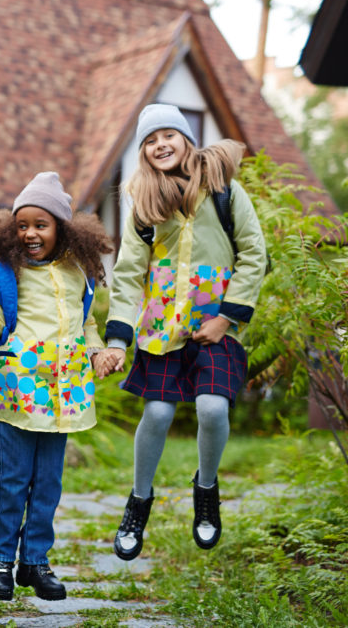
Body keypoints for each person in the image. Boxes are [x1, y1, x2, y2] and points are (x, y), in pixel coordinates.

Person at [94, 104, 267, 561]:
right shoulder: (144, 205)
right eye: (150, 141)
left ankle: (206, 493)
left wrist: (226, 318)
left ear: (186, 138)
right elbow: (130, 273)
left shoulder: (226, 191)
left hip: (216, 327)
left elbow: (254, 254)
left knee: (212, 409)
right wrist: (116, 340)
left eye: (168, 134)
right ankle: (138, 501)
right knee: (157, 416)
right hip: (161, 330)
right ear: (144, 153)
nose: (160, 145)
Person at [0, 171, 113, 602]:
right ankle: (0, 563)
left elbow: (86, 322)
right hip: (16, 389)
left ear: (62, 227)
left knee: (49, 482)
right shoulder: (2, 272)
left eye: (41, 224)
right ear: (10, 231)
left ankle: (35, 562)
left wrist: (97, 352)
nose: (31, 233)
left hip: (65, 394)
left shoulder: (78, 271)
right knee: (13, 480)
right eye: (23, 225)